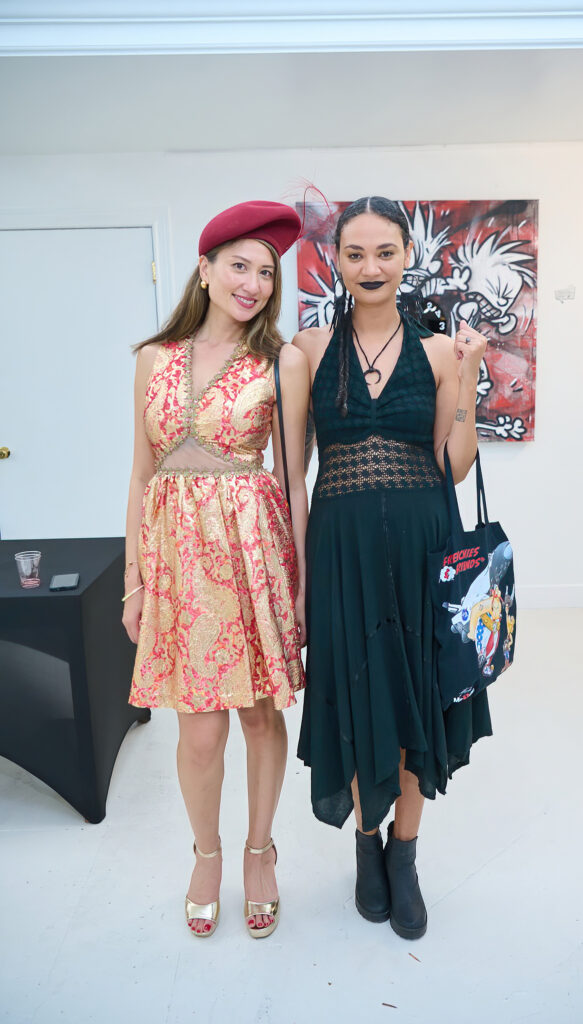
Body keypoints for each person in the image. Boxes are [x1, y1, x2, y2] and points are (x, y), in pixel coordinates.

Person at [295, 196, 493, 940]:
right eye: (355, 254)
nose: (371, 267)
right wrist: (300, 577)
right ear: (336, 262)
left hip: (422, 550)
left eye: (385, 252)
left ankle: (403, 857)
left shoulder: (440, 351)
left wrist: (468, 379)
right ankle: (365, 846)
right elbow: (293, 474)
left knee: (414, 702)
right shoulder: (307, 352)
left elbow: (453, 461)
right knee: (353, 698)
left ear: (406, 255)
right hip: (341, 553)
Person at [122, 201, 309, 940]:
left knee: (260, 717)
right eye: (239, 265)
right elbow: (139, 473)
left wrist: (295, 582)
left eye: (267, 272)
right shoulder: (151, 359)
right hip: (176, 558)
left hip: (254, 551)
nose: (255, 283)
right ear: (203, 269)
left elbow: (293, 478)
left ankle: (260, 851)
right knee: (198, 733)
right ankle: (207, 854)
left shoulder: (281, 361)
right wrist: (136, 575)